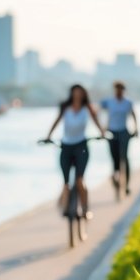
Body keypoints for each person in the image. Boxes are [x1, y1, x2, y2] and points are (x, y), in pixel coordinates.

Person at [44, 84, 106, 217]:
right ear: (71, 94)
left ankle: (85, 208)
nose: (77, 95)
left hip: (81, 146)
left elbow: (96, 121)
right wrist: (48, 136)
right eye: (75, 92)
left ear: (83, 94)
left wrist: (102, 133)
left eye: (80, 93)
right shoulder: (65, 107)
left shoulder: (87, 108)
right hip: (66, 146)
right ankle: (66, 207)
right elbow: (56, 121)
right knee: (66, 182)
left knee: (79, 179)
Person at [101, 81, 138, 195]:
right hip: (111, 132)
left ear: (123, 90)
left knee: (124, 158)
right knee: (115, 158)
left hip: (123, 132)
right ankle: (116, 179)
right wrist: (102, 129)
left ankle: (126, 185)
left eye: (121, 89)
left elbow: (133, 115)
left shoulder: (128, 102)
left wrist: (136, 129)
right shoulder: (109, 102)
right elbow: (99, 112)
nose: (118, 92)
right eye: (117, 89)